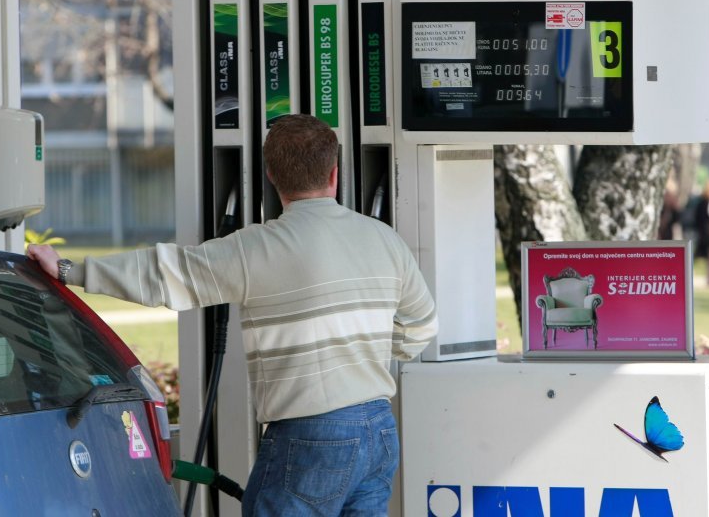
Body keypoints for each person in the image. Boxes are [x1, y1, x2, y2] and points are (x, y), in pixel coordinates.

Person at [28, 113, 438, 516]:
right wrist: (364, 357)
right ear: (334, 173)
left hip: (309, 436)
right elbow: (422, 328)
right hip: (378, 430)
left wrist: (69, 269)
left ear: (272, 177)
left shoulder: (255, 249)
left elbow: (163, 274)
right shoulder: (386, 241)